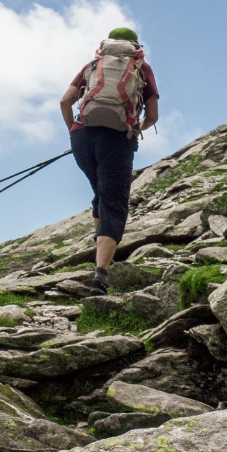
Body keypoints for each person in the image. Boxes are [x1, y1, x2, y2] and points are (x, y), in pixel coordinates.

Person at [60, 27, 159, 293]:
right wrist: (138, 127)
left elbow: (65, 101)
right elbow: (152, 115)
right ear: (134, 46)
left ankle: (103, 250)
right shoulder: (142, 68)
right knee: (114, 203)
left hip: (83, 137)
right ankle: (101, 275)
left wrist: (73, 130)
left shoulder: (93, 65)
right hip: (117, 138)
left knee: (100, 195)